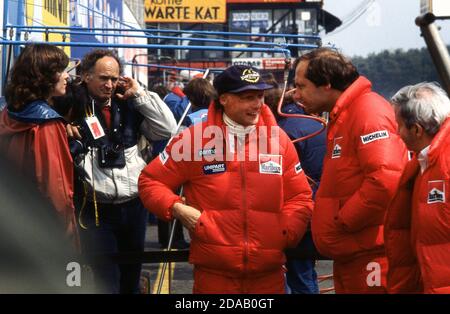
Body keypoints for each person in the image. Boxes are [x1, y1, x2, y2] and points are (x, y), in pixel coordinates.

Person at [139, 65, 314, 294]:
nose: (258, 104)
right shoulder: (193, 140)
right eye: (248, 98)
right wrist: (177, 208)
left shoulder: (278, 140)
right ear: (224, 99)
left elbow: (300, 197)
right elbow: (150, 182)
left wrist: (285, 232)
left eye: (260, 96)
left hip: (269, 277)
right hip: (214, 278)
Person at [294, 47, 408, 293]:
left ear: (325, 84)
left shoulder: (367, 111)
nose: (296, 94)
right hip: (355, 253)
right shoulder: (348, 112)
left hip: (371, 255)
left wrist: (342, 221)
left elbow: (385, 180)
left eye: (301, 86)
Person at [63, 49, 177, 293]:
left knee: (131, 280)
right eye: (103, 78)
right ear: (85, 76)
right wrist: (64, 127)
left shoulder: (130, 104)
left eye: (114, 79)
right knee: (107, 282)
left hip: (133, 207)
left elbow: (167, 129)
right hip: (95, 210)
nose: (109, 84)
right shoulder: (69, 104)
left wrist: (140, 94)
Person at [0, 43, 79, 248]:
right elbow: (56, 187)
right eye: (60, 70)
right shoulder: (47, 123)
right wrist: (67, 229)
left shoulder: (6, 115)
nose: (67, 76)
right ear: (44, 76)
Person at [386, 82, 450, 294]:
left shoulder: (443, 164)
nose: (397, 132)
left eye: (399, 125)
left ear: (416, 129)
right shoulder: (423, 163)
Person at [265, 83, 326, 294]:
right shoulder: (319, 125)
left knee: (298, 275)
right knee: (306, 271)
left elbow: (276, 177)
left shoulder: (281, 132)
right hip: (319, 206)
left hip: (295, 210)